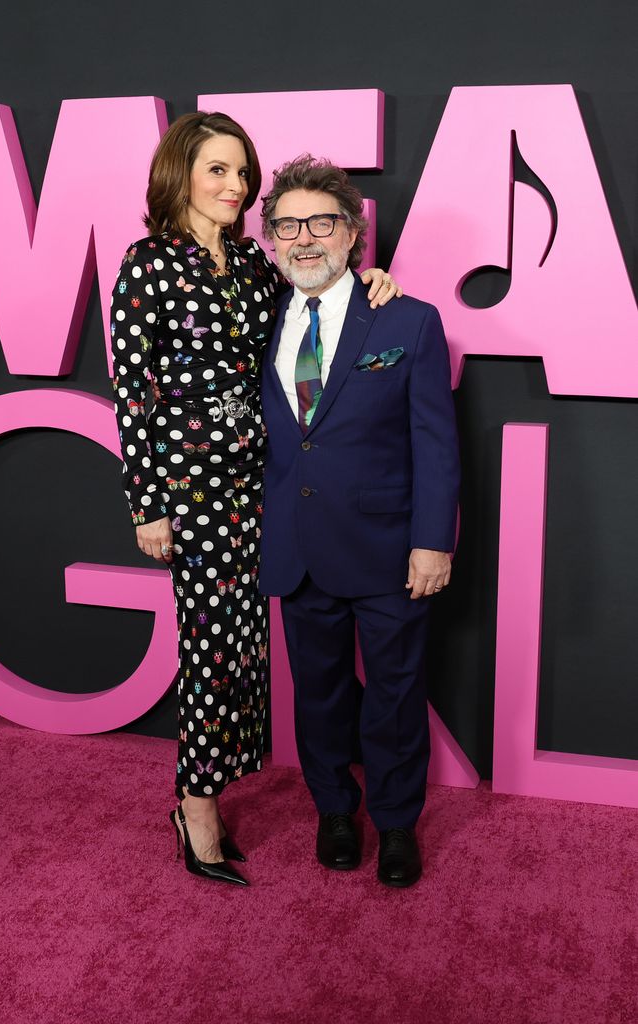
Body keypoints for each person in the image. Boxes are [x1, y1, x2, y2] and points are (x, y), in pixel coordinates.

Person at [110, 112, 400, 887]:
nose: (236, 187)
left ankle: (209, 785)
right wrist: (148, 504)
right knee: (208, 651)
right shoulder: (149, 266)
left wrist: (371, 284)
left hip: (265, 485)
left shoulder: (248, 262)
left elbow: (317, 300)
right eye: (217, 170)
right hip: (192, 490)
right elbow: (131, 397)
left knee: (243, 648)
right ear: (179, 173)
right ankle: (195, 807)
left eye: (242, 173)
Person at [259, 155, 460, 888]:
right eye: (286, 224)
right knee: (317, 697)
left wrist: (432, 541)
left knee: (396, 695)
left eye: (320, 221)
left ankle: (397, 822)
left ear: (353, 233)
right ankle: (335, 811)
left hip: (387, 551)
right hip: (296, 550)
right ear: (272, 239)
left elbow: (435, 442)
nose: (303, 237)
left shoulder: (406, 319)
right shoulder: (260, 320)